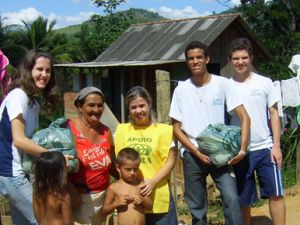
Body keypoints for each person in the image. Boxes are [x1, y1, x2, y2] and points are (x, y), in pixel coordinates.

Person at [169, 40, 251, 225]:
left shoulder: (223, 84)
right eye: (191, 58)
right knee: (197, 208)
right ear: (187, 62)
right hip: (192, 154)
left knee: (231, 198)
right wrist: (196, 152)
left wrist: (242, 149)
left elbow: (244, 117)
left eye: (199, 57)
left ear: (207, 59)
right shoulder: (181, 89)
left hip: (220, 155)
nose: (195, 61)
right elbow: (176, 127)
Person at [228, 38, 286, 225]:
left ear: (251, 58)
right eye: (236, 58)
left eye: (244, 57)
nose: (240, 62)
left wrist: (276, 146)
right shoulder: (226, 86)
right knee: (243, 200)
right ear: (230, 60)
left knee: (276, 194)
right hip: (239, 152)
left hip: (265, 148)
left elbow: (274, 113)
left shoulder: (265, 82)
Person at [0, 49, 58, 225]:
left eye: (48, 71)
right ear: (28, 70)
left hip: (23, 171)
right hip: (11, 172)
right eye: (39, 69)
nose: (44, 75)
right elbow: (19, 140)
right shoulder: (18, 96)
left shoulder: (34, 104)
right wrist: (54, 157)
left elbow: (32, 140)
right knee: (44, 219)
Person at [114, 86, 178, 225]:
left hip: (158, 194)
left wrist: (153, 182)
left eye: (142, 105)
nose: (138, 111)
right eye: (133, 107)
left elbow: (170, 161)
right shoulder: (121, 131)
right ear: (129, 109)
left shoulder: (163, 131)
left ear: (149, 104)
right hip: (131, 198)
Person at [67, 86, 118, 225]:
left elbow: (111, 164)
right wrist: (71, 190)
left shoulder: (106, 132)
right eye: (91, 105)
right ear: (79, 106)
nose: (96, 110)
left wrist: (127, 182)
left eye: (100, 105)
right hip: (78, 199)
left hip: (104, 198)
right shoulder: (67, 129)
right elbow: (56, 167)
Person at [102, 147, 153, 225]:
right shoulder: (114, 188)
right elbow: (105, 210)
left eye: (135, 169)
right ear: (118, 168)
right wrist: (116, 203)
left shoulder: (141, 184)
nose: (132, 173)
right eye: (128, 169)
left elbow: (150, 207)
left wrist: (142, 199)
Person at [33, 151, 74, 225]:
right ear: (60, 173)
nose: (68, 168)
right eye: (65, 167)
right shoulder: (63, 196)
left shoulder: (37, 192)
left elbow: (36, 214)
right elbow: (68, 223)